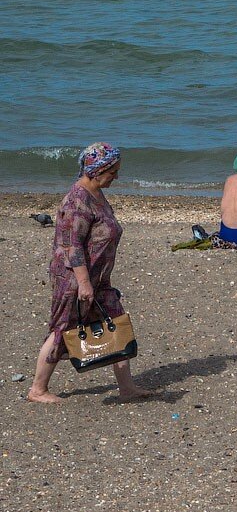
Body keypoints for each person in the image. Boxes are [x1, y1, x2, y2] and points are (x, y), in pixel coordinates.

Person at [27, 143, 154, 403]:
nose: (117, 176)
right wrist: (84, 284)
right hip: (75, 280)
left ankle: (127, 388)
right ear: (97, 171)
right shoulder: (77, 200)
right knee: (63, 329)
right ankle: (37, 390)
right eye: (113, 171)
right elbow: (71, 246)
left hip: (99, 279)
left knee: (117, 323)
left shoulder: (96, 194)